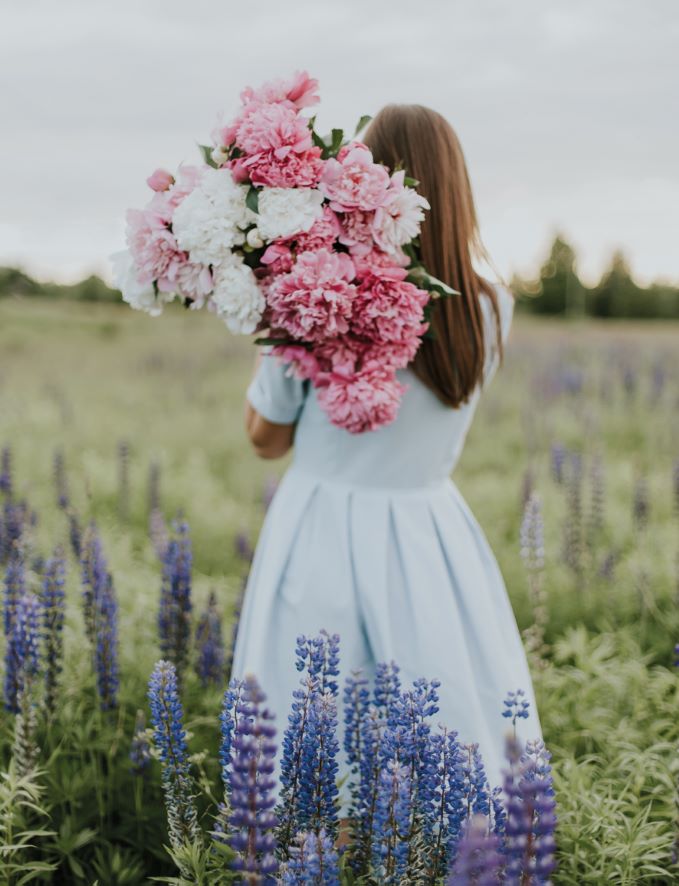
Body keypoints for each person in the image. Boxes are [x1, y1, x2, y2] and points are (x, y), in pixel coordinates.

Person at [232, 104, 543, 797]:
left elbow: (264, 438)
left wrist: (267, 323)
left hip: (321, 528)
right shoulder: (489, 304)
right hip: (429, 533)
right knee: (441, 736)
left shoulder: (321, 289)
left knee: (315, 754)